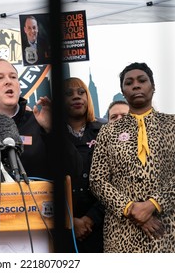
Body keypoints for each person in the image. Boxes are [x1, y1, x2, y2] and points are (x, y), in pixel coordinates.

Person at [89, 62, 175, 253]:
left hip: (168, 228)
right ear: (123, 91)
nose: (136, 85)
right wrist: (130, 209)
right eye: (129, 82)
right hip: (122, 230)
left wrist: (152, 205)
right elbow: (97, 180)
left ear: (153, 86)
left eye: (142, 80)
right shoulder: (108, 131)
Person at [63, 77, 105, 253]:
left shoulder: (104, 129)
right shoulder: (48, 133)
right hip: (63, 228)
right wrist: (70, 220)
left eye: (81, 92)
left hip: (100, 224)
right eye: (69, 93)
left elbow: (115, 179)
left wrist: (89, 219)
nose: (76, 97)